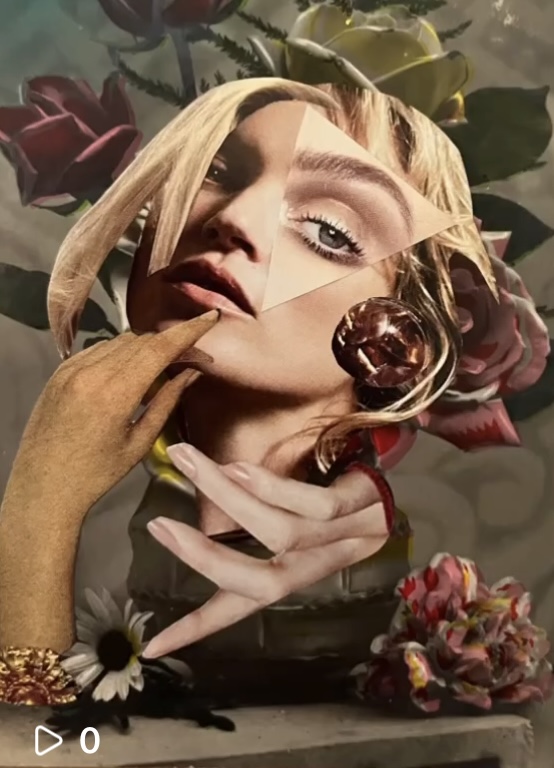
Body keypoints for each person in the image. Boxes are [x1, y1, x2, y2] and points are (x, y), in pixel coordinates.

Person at [0, 79, 547, 704]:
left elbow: (30, 734)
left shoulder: (376, 561)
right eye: (213, 174)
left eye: (329, 230)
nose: (232, 219)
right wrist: (43, 503)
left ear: (401, 335)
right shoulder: (103, 479)